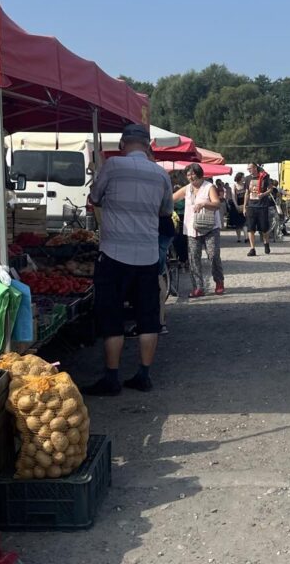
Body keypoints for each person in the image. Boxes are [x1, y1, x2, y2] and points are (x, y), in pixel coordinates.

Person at [81, 124, 174, 396]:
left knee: (112, 318)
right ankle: (143, 375)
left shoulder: (112, 167)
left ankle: (112, 378)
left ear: (122, 145)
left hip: (113, 255)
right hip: (146, 255)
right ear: (148, 146)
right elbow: (165, 211)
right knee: (147, 318)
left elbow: (95, 198)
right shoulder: (160, 174)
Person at [173, 163, 225, 297]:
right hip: (192, 228)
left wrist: (204, 203)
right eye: (188, 175)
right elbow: (172, 198)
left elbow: (217, 204)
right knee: (193, 258)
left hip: (210, 227)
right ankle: (198, 287)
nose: (190, 177)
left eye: (192, 174)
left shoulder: (209, 187)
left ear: (199, 174)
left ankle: (219, 282)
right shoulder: (187, 189)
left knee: (213, 256)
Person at [245, 163, 272, 256]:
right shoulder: (247, 178)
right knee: (250, 228)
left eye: (250, 168)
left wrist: (263, 194)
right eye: (248, 168)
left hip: (262, 205)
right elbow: (247, 193)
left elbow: (270, 189)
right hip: (251, 206)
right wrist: (245, 206)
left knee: (264, 228)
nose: (248, 170)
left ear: (255, 168)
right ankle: (252, 249)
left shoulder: (264, 177)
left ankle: (266, 243)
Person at [231, 172, 248, 243]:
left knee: (245, 222)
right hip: (236, 205)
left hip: (245, 205)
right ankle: (239, 238)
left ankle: (246, 237)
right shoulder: (234, 185)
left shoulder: (245, 185)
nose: (244, 178)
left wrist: (245, 205)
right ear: (239, 178)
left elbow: (247, 195)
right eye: (243, 177)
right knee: (237, 224)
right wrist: (236, 206)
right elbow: (233, 196)